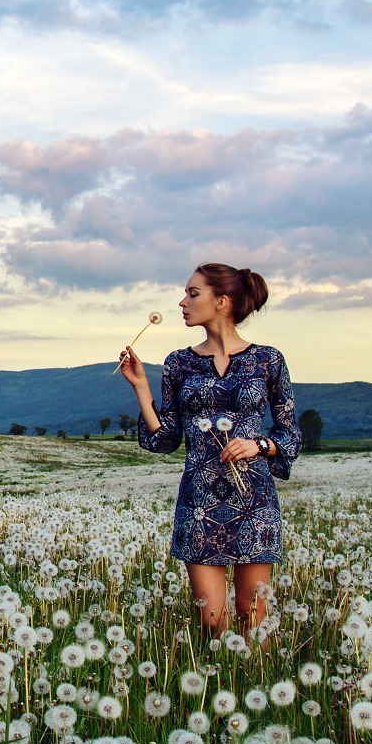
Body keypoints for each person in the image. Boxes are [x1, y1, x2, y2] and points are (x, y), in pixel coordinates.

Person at [117, 264, 300, 637]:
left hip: (254, 500)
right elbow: (165, 438)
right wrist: (140, 387)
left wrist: (258, 445)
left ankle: (259, 687)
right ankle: (223, 685)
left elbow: (289, 432)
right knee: (211, 622)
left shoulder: (268, 360)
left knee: (254, 617)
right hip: (199, 503)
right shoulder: (178, 363)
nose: (182, 302)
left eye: (192, 293)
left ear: (222, 301)